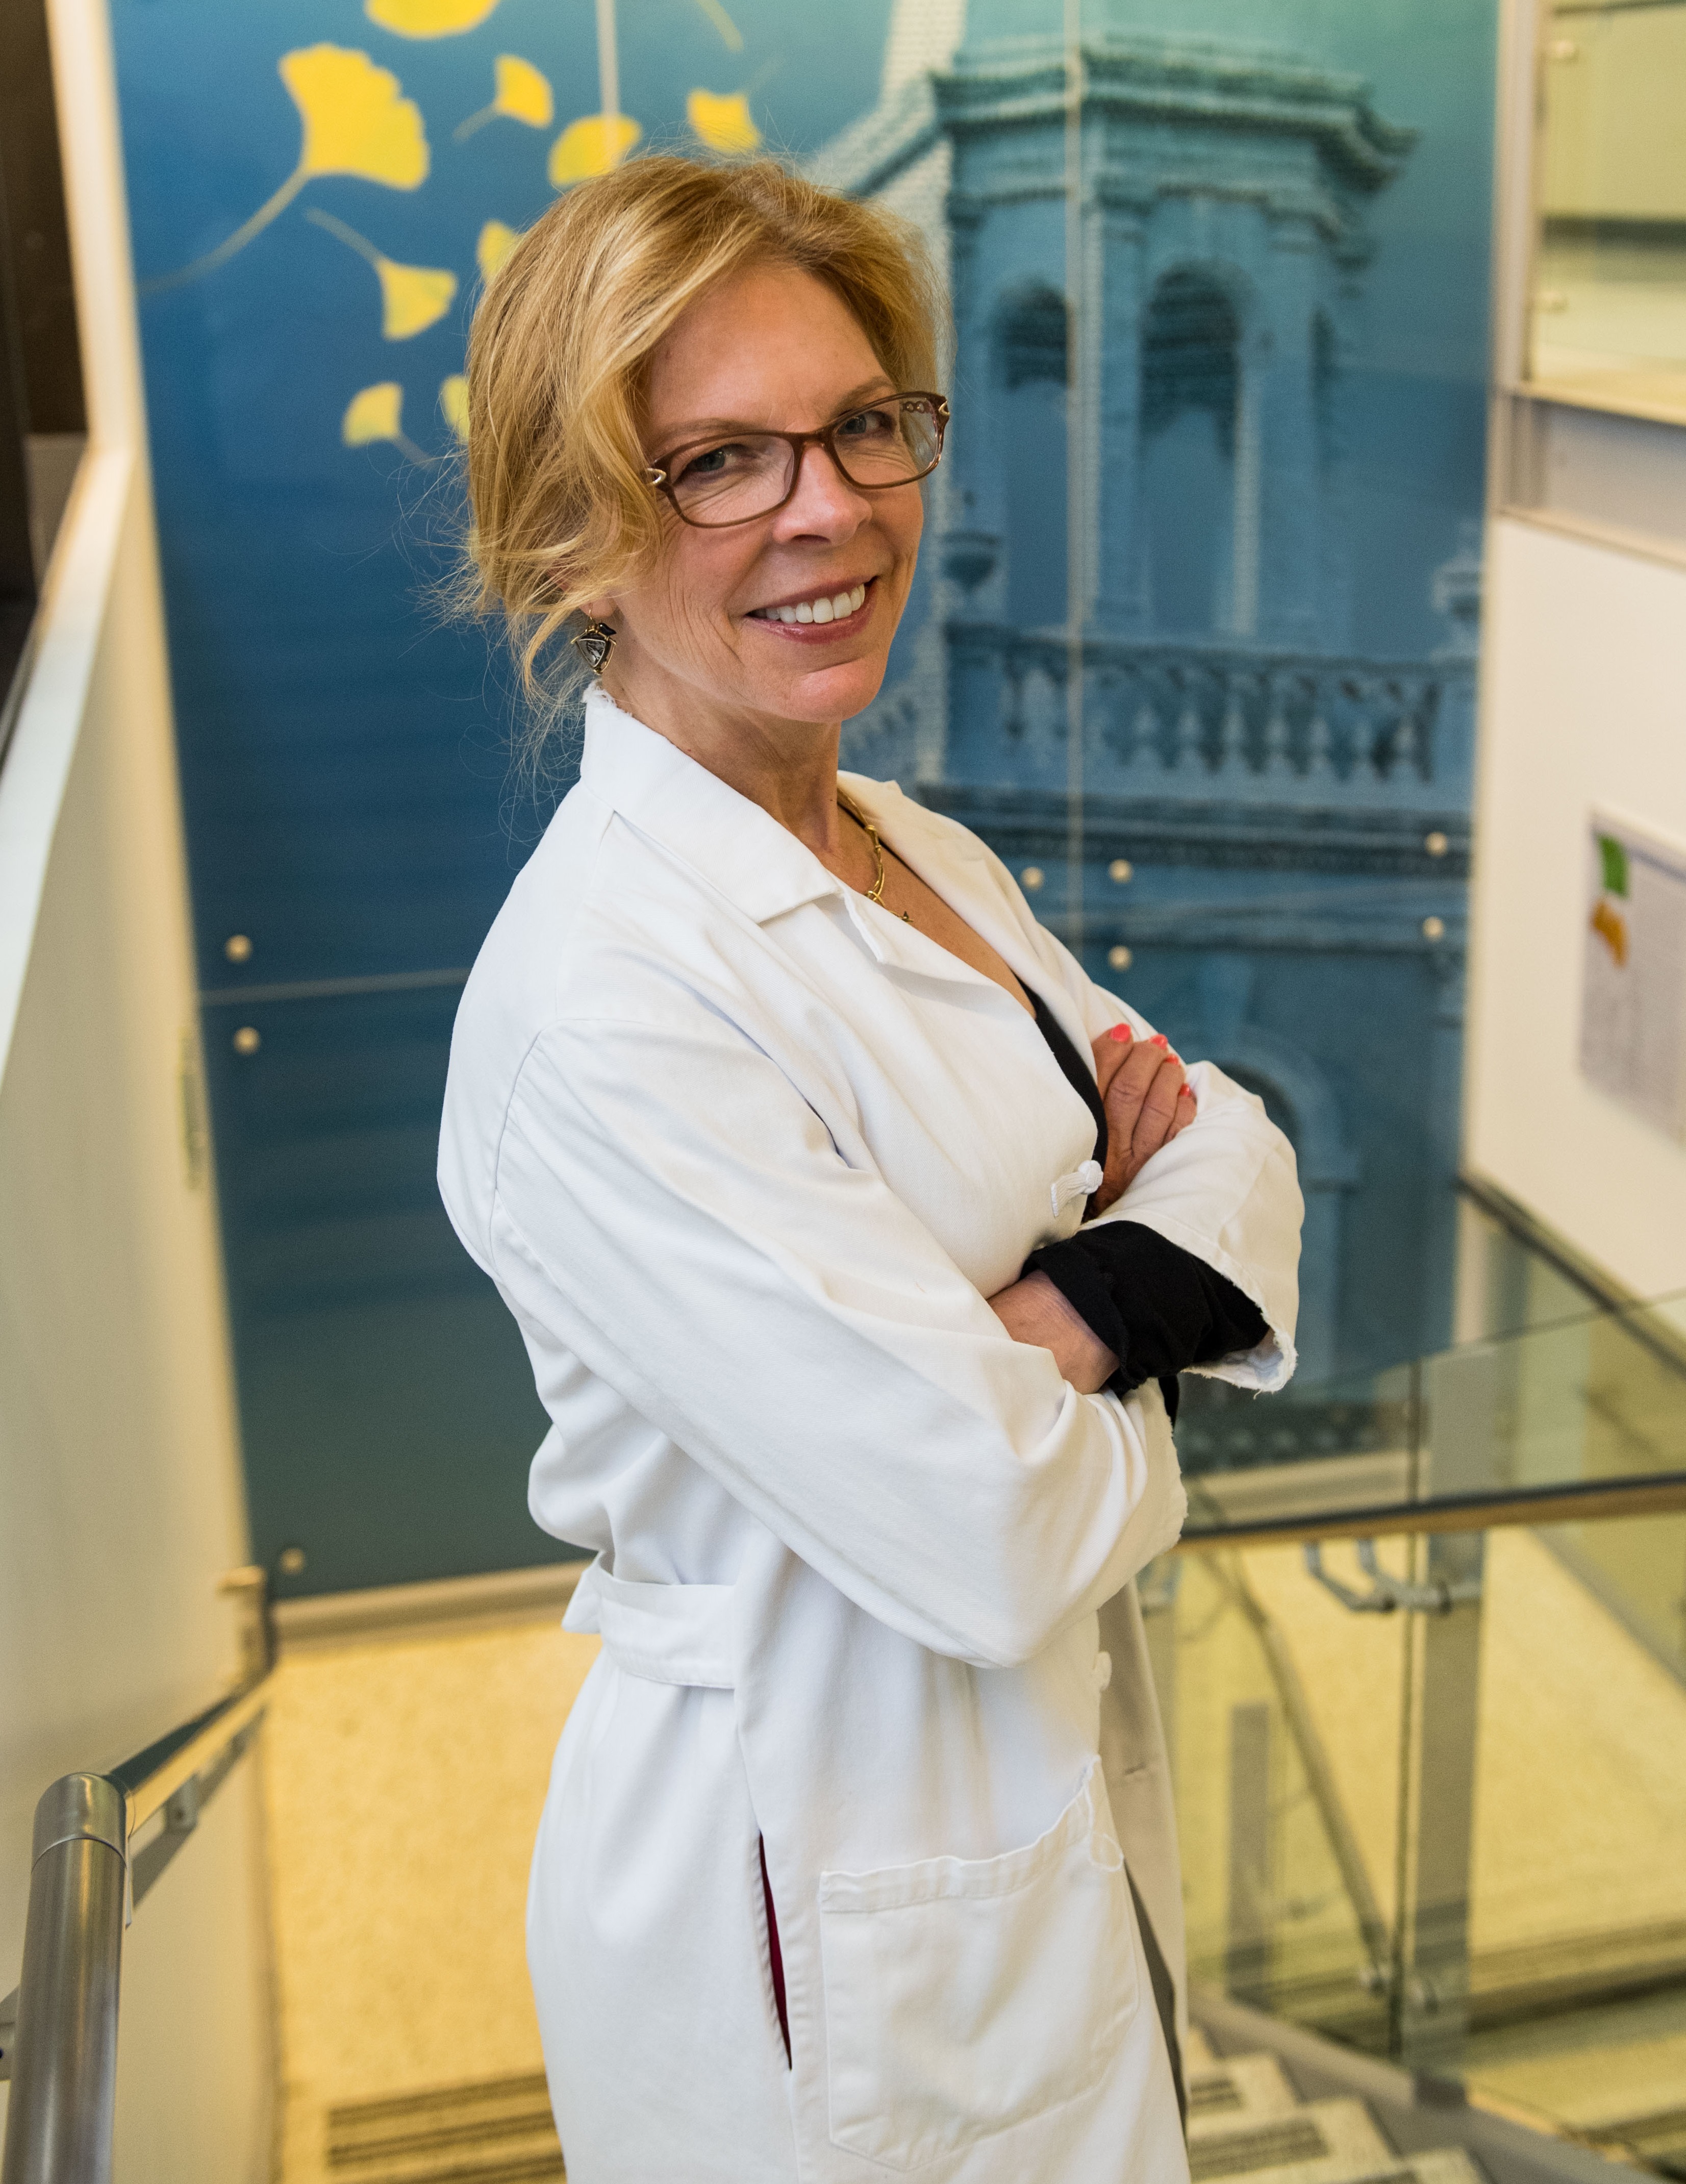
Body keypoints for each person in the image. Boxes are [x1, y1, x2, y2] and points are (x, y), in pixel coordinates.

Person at [439, 155, 1302, 2184]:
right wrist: (1114, 1301)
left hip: (1012, 1808)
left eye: (857, 428)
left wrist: (1060, 1320)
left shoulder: (919, 849)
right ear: (574, 543)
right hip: (801, 1899)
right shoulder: (608, 1009)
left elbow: (1238, 1149)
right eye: (715, 461)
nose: (823, 506)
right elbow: (986, 1534)